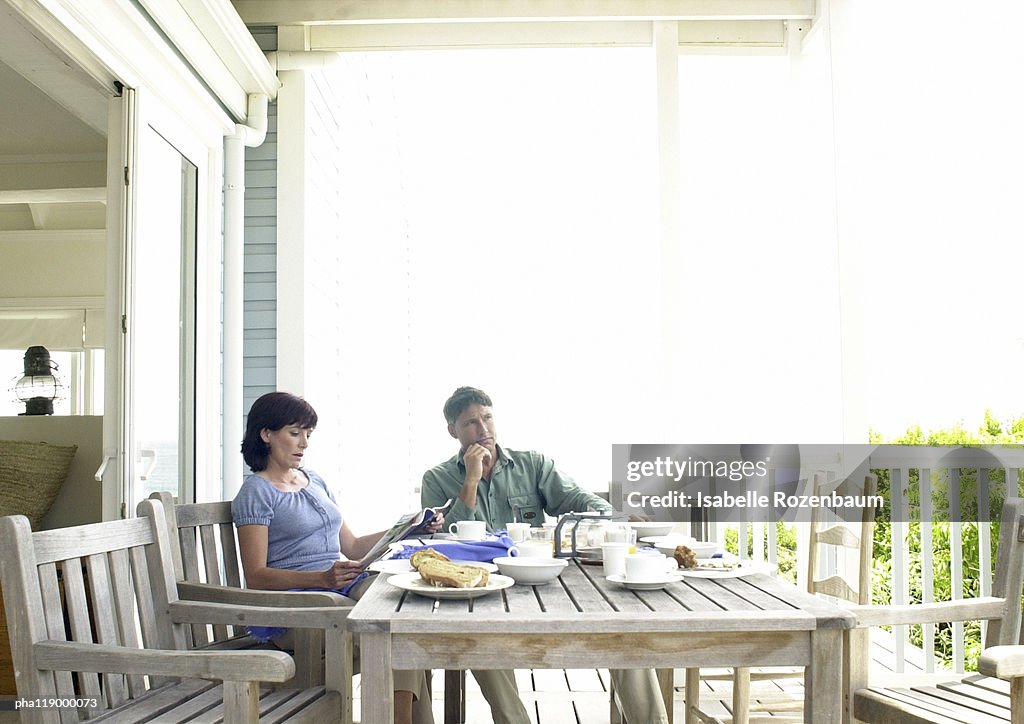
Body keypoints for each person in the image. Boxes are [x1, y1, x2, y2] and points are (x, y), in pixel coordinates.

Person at [421, 386, 669, 724]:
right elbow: (443, 545)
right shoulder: (436, 479)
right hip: (479, 592)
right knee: (480, 641)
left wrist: (615, 516)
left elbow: (580, 499)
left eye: (488, 418)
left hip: (542, 581)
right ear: (453, 431)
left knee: (622, 631)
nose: (483, 430)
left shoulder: (532, 464)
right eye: (470, 424)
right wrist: (472, 479)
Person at [233, 391, 437, 724]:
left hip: (338, 595)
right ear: (266, 434)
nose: (304, 443)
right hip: (299, 613)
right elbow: (255, 575)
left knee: (402, 608)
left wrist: (412, 528)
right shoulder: (256, 491)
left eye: (308, 434)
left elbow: (354, 547)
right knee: (396, 633)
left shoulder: (315, 482)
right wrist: (322, 578)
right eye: (295, 432)